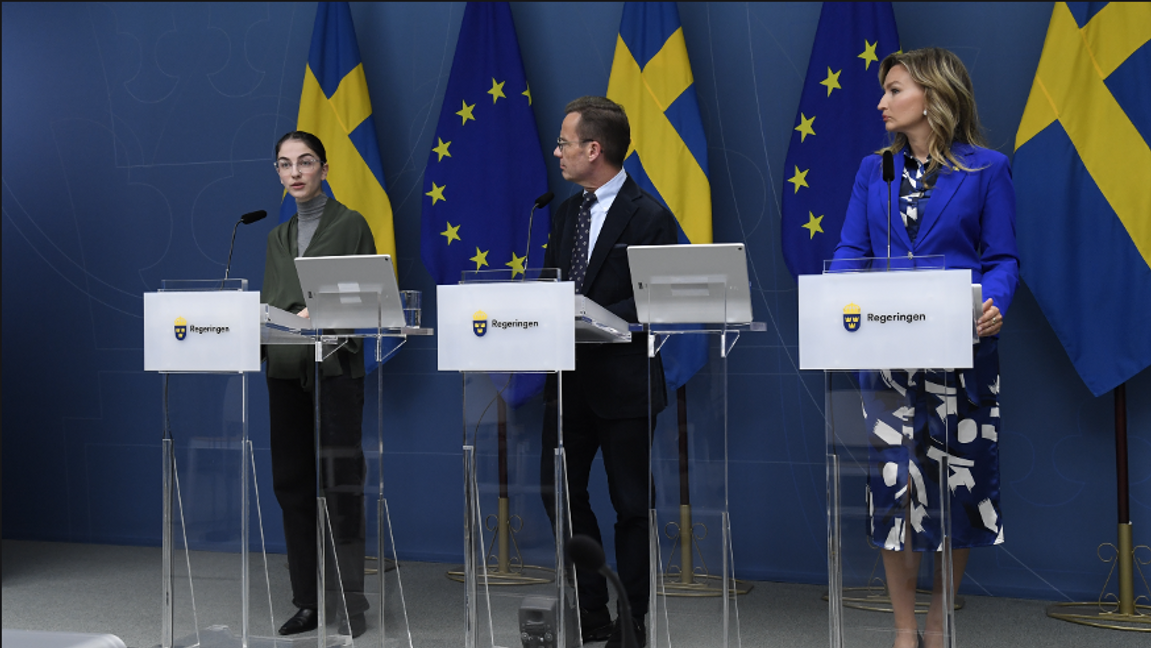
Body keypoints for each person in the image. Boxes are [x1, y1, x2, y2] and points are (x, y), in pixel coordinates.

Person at [831, 48, 1019, 648]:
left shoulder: (986, 169)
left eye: (893, 90)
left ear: (933, 95)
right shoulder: (874, 170)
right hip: (888, 359)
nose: (882, 103)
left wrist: (995, 303)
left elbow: (1002, 259)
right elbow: (849, 252)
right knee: (894, 492)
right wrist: (834, 300)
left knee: (957, 492)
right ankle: (905, 630)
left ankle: (940, 624)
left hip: (962, 357)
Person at [539, 96, 678, 648]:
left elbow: (657, 302)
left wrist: (589, 316)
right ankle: (591, 609)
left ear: (594, 149)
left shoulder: (648, 214)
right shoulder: (565, 212)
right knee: (560, 497)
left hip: (624, 386)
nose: (557, 153)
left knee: (630, 507)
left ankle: (632, 619)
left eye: (564, 143)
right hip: (568, 384)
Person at [262, 131, 375, 638]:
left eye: (305, 162)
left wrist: (321, 314)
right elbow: (272, 303)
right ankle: (307, 601)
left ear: (324, 169)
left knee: (341, 487)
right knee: (292, 488)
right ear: (279, 174)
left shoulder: (352, 225)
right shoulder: (274, 237)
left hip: (334, 373)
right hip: (285, 372)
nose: (296, 172)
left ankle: (351, 601)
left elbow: (370, 298)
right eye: (285, 165)